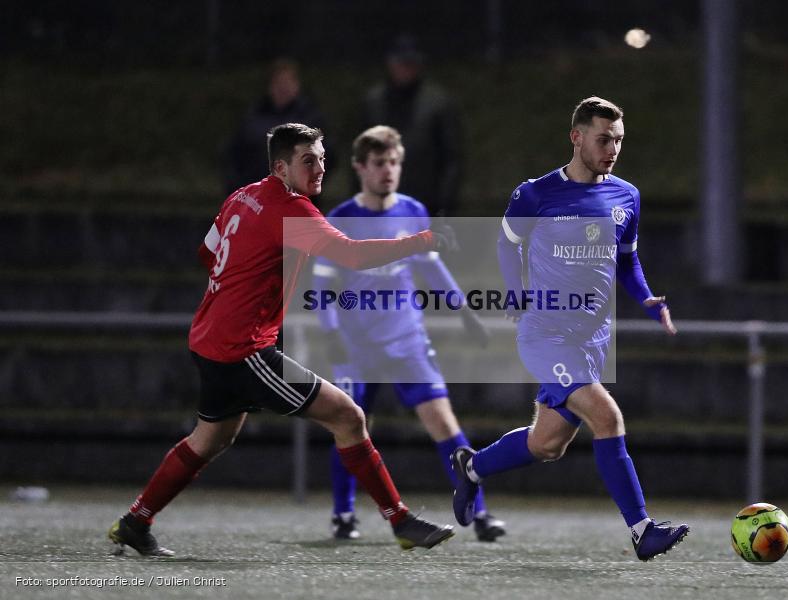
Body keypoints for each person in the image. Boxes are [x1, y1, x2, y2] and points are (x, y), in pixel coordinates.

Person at [107, 123, 456, 557]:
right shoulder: (293, 210)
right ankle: (401, 521)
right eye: (308, 161)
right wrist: (420, 241)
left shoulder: (241, 196)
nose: (319, 168)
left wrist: (250, 274)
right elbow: (354, 255)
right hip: (245, 350)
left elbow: (207, 253)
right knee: (348, 417)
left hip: (209, 339)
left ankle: (135, 522)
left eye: (322, 159)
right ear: (281, 166)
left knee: (209, 439)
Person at [449, 97, 690, 561]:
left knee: (546, 445)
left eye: (619, 139)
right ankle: (642, 530)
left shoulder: (627, 195)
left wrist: (646, 299)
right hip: (545, 335)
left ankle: (472, 467)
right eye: (604, 139)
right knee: (608, 417)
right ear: (576, 137)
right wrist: (515, 292)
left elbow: (628, 260)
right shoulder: (535, 194)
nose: (613, 148)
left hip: (594, 340)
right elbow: (506, 244)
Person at [311, 125, 503, 542]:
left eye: (395, 163)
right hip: (356, 347)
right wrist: (330, 334)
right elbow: (322, 288)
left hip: (407, 339)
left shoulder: (413, 210)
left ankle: (481, 514)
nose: (388, 171)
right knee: (349, 427)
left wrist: (464, 311)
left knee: (444, 423)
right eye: (380, 163)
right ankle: (343, 515)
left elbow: (431, 268)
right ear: (361, 167)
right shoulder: (340, 219)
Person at [361, 35, 461, 216]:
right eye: (401, 63)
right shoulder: (374, 103)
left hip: (425, 203)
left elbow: (451, 158)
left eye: (410, 63)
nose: (405, 69)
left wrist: (445, 203)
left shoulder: (438, 103)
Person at [224, 58, 336, 194]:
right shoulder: (253, 117)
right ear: (270, 86)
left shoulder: (311, 119)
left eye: (288, 82)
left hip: (298, 199)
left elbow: (328, 156)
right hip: (258, 198)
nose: (283, 87)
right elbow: (234, 155)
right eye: (278, 82)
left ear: (297, 85)